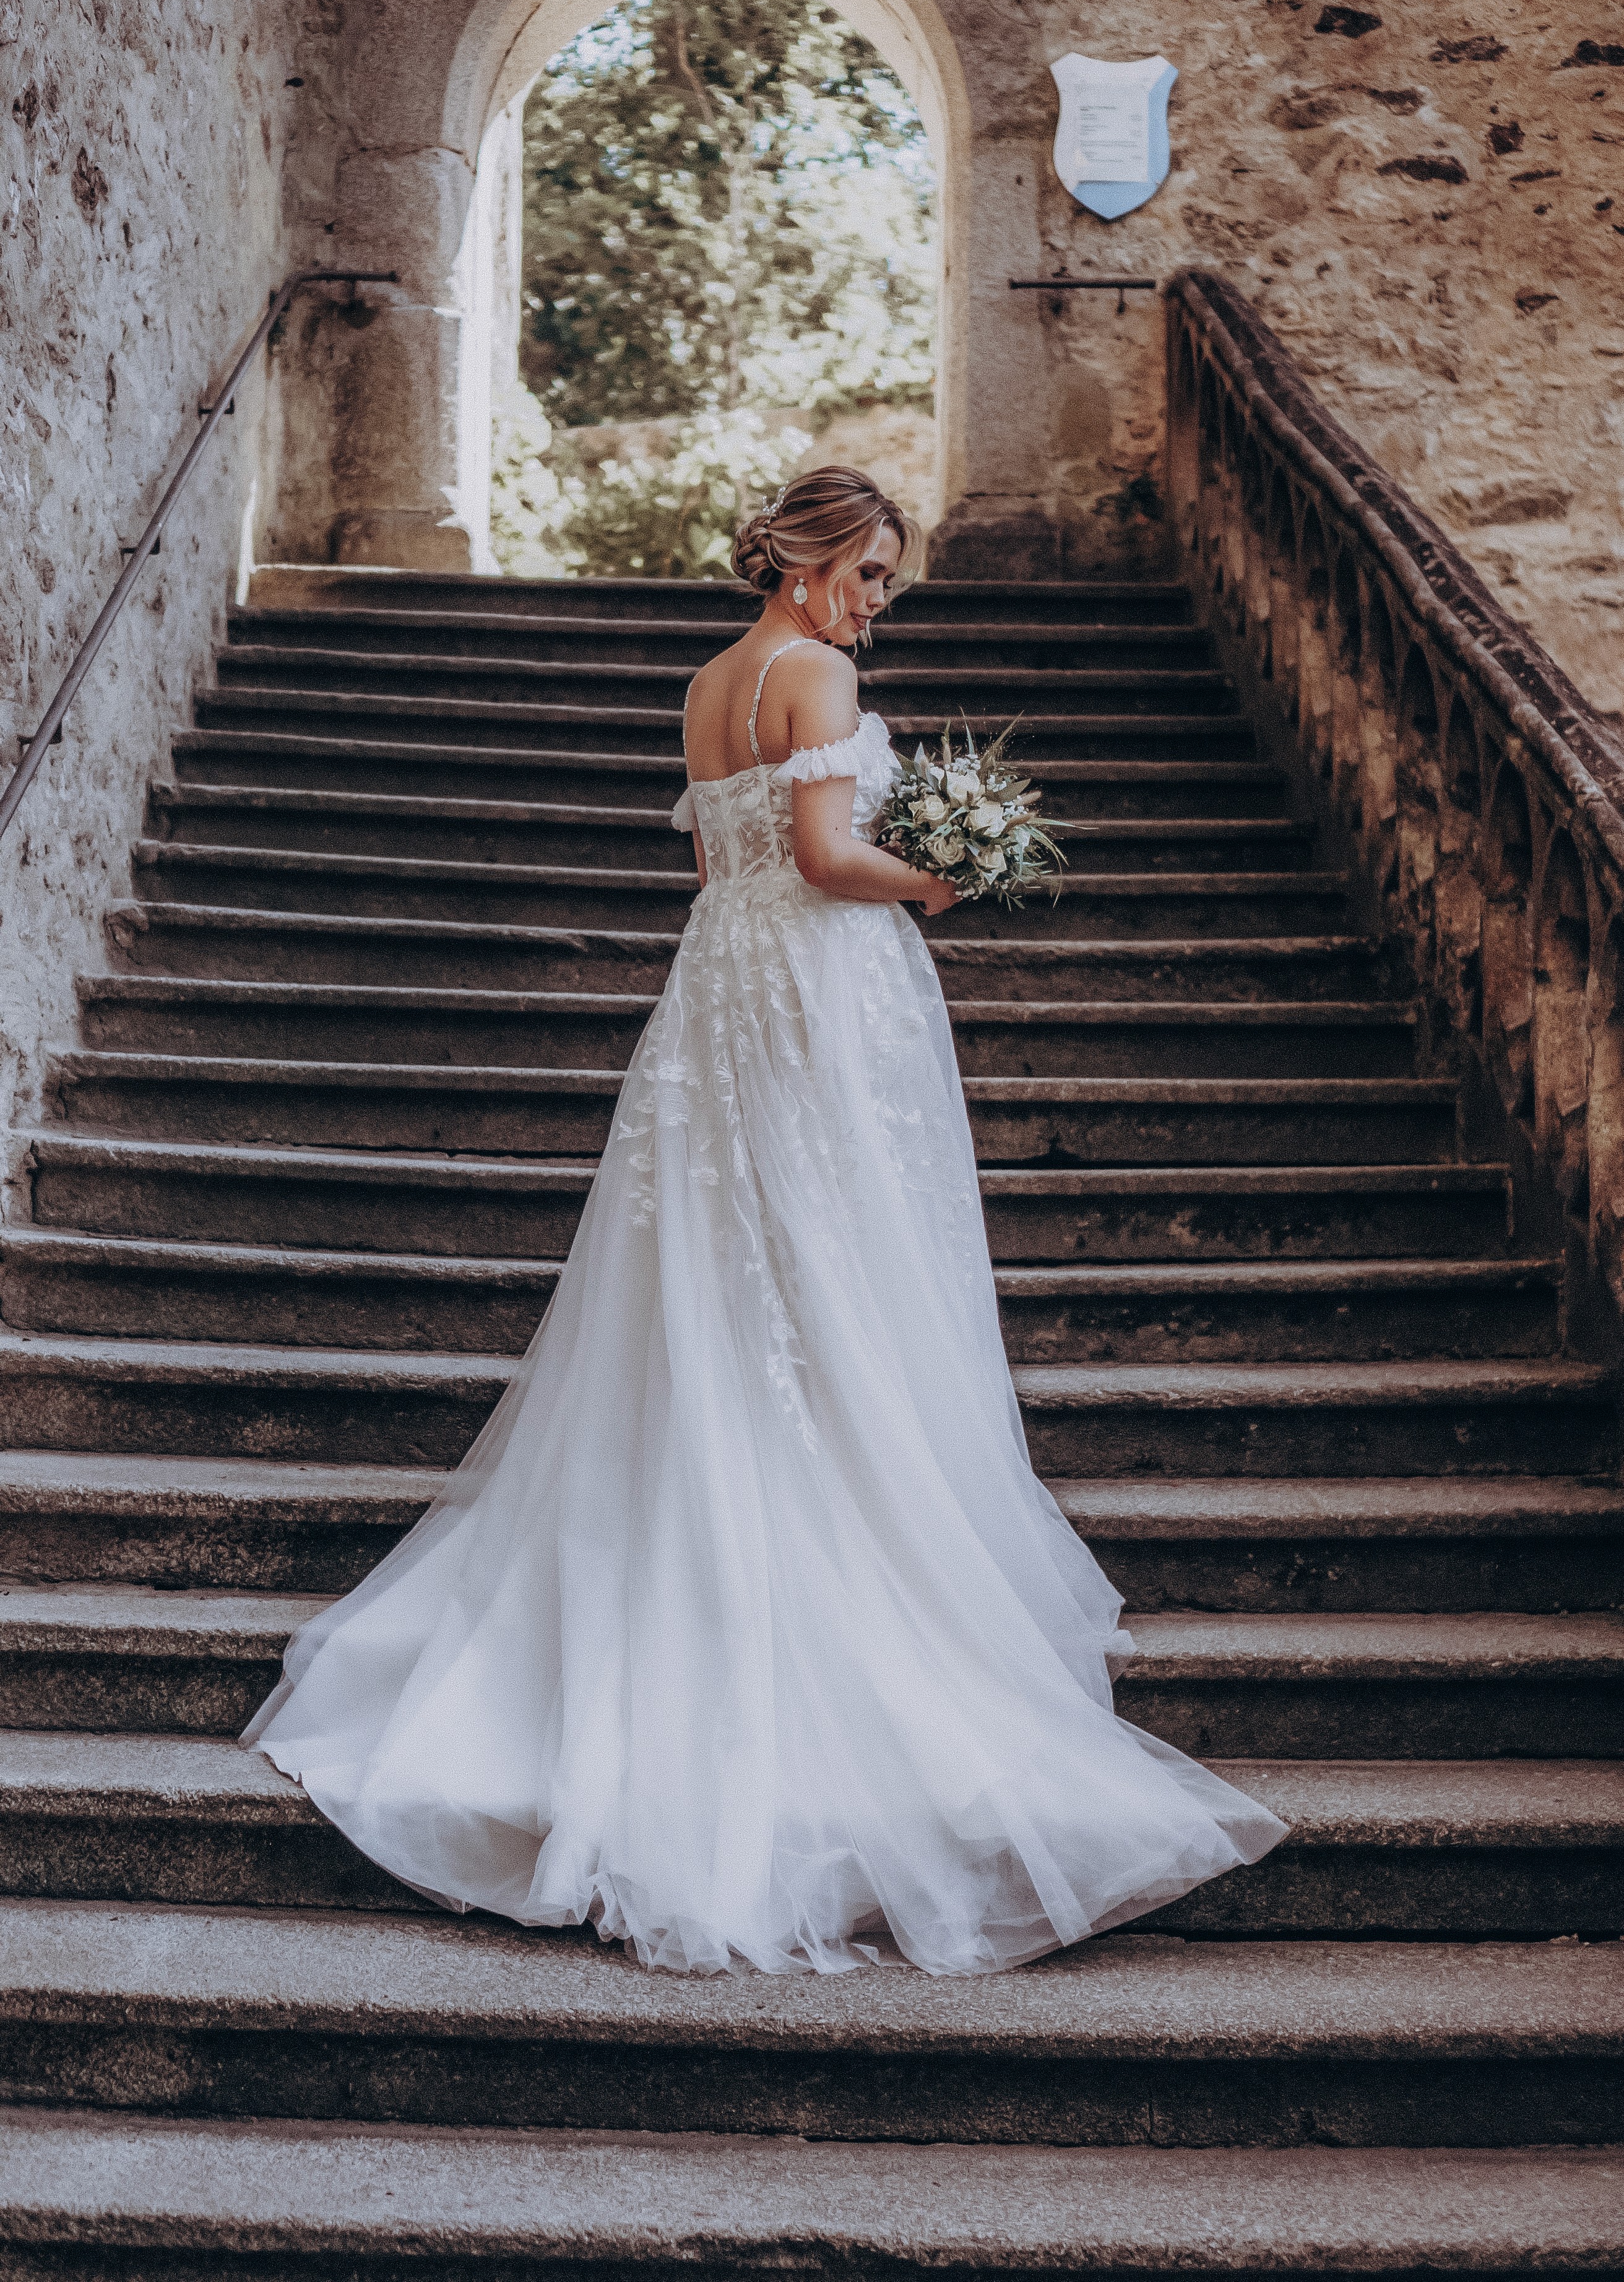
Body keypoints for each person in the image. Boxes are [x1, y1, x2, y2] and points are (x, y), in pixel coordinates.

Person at [244, 466, 1286, 1976]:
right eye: (869, 572)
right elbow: (819, 863)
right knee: (830, 1265)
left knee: (723, 1280)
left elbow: (717, 868)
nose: (879, 601)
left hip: (714, 1000)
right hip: (810, 995)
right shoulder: (818, 671)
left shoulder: (708, 681)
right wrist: (944, 876)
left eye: (884, 582)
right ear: (807, 565)